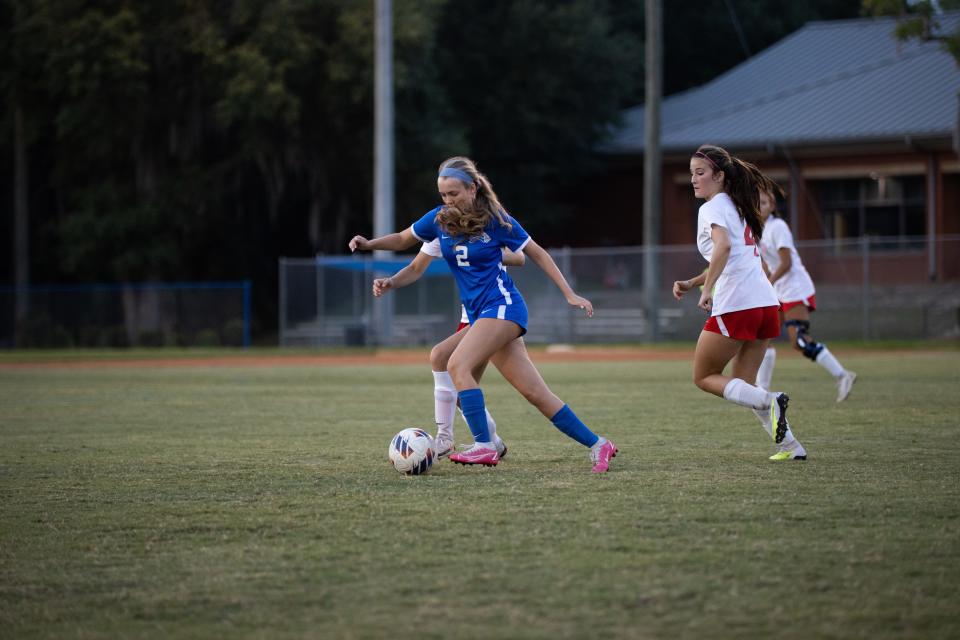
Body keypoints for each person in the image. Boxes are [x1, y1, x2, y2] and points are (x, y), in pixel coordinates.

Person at [350, 155, 618, 473]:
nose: (448, 200)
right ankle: (599, 445)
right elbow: (403, 240)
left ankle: (484, 446)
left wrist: (569, 293)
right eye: (443, 195)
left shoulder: (497, 220)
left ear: (473, 188)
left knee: (456, 365)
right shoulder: (439, 219)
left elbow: (537, 254)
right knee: (532, 391)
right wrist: (370, 246)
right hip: (484, 315)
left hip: (503, 307)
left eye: (454, 193)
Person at [672, 144, 807, 461]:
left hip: (737, 304)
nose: (694, 179)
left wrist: (709, 291)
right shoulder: (737, 206)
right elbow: (749, 262)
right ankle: (791, 446)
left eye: (700, 173)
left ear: (719, 176)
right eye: (691, 173)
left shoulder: (713, 208)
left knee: (703, 377)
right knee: (745, 388)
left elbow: (724, 248)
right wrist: (695, 283)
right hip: (765, 304)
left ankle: (773, 400)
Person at [372, 238, 525, 458]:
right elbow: (415, 265)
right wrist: (391, 281)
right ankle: (490, 442)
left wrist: (484, 252)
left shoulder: (492, 220)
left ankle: (449, 438)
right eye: (446, 200)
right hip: (471, 313)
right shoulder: (443, 227)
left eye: (453, 200)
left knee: (447, 365)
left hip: (494, 311)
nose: (449, 202)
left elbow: (520, 256)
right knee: (461, 389)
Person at [756, 190, 857, 402]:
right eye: (756, 202)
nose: (759, 206)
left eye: (764, 202)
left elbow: (786, 262)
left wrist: (769, 282)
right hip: (779, 289)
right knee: (763, 336)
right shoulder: (758, 231)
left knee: (799, 341)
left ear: (773, 206)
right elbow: (766, 264)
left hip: (795, 287)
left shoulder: (778, 227)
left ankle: (843, 375)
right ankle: (760, 392)